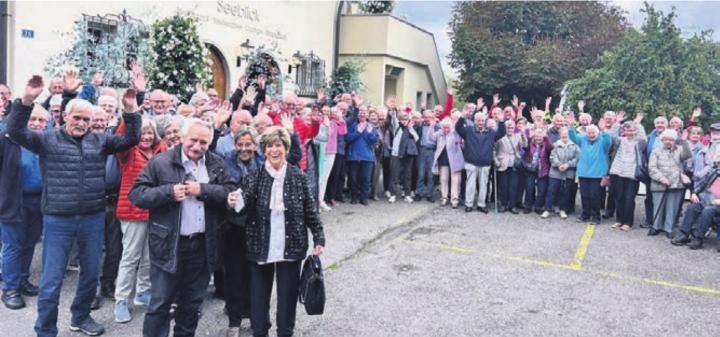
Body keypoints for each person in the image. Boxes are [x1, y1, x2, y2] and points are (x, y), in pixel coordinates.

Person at [7, 77, 141, 337]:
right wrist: (26, 100)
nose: (81, 123)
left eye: (86, 119)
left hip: (92, 217)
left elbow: (132, 138)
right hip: (58, 220)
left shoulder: (101, 141)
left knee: (91, 274)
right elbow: (16, 130)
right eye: (76, 117)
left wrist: (131, 109)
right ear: (65, 117)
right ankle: (45, 330)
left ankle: (80, 317)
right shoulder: (46, 140)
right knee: (51, 281)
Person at [129, 118, 234, 337]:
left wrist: (202, 189)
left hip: (203, 246)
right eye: (193, 140)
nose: (197, 147)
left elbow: (230, 191)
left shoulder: (215, 163)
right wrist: (167, 193)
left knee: (191, 304)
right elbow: (137, 194)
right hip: (169, 244)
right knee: (160, 304)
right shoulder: (160, 162)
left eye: (203, 142)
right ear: (183, 138)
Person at [227, 126, 325, 337]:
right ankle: (260, 332)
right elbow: (243, 206)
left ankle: (285, 332)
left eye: (278, 145)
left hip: (291, 245)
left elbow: (310, 209)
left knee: (287, 298)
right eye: (269, 146)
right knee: (258, 298)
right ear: (263, 150)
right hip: (260, 244)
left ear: (286, 148)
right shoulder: (256, 175)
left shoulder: (298, 176)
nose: (274, 150)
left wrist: (319, 236)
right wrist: (234, 200)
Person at [113, 116, 167, 323]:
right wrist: (130, 114)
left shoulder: (160, 151)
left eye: (149, 133)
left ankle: (143, 292)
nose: (145, 136)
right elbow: (120, 137)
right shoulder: (127, 152)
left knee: (148, 256)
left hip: (154, 211)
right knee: (130, 257)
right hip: (132, 211)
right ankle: (121, 300)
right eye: (142, 132)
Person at [0, 104, 48, 309]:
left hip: (39, 202)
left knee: (29, 243)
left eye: (41, 120)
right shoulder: (8, 140)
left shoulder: (45, 142)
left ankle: (22, 279)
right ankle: (10, 288)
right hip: (14, 201)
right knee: (13, 245)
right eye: (33, 119)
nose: (36, 123)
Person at [223, 128, 263, 337]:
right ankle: (234, 320)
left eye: (248, 145)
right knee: (234, 275)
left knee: (256, 274)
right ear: (235, 145)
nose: (245, 149)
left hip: (257, 227)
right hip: (234, 227)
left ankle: (254, 315)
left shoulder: (263, 162)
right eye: (241, 145)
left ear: (255, 146)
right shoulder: (226, 163)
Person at [455, 111, 505, 212]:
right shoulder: (468, 130)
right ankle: (469, 204)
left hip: (485, 163)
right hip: (471, 162)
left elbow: (501, 133)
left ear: (485, 121)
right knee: (470, 185)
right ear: (474, 121)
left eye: (482, 120)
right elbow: (458, 128)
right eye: (478, 120)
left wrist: (501, 121)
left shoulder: (491, 132)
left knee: (483, 185)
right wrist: (462, 117)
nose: (481, 122)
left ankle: (481, 205)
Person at [647, 129, 691, 238]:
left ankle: (668, 228)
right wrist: (662, 178)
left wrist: (685, 142)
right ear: (662, 140)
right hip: (659, 184)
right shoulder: (656, 151)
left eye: (671, 140)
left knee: (672, 208)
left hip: (676, 184)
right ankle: (656, 226)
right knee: (658, 207)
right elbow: (652, 168)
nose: (668, 141)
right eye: (666, 139)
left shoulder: (680, 150)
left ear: (674, 140)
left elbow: (688, 155)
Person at [568, 121, 613, 225]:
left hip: (597, 174)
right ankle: (585, 214)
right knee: (584, 195)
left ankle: (596, 217)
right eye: (589, 133)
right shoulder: (583, 139)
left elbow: (608, 141)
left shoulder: (602, 141)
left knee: (595, 196)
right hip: (583, 172)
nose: (591, 135)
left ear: (597, 133)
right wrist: (570, 126)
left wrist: (603, 129)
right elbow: (573, 137)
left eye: (593, 133)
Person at [672, 156, 720, 250]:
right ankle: (684, 234)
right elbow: (702, 184)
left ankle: (698, 238)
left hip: (716, 205)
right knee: (692, 207)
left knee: (707, 211)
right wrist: (694, 193)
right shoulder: (715, 173)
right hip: (707, 200)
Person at [608, 121, 646, 231]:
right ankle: (619, 220)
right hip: (618, 172)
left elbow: (643, 138)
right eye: (627, 130)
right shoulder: (620, 141)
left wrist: (638, 124)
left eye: (632, 130)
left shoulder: (639, 143)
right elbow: (612, 135)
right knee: (618, 197)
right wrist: (617, 123)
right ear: (623, 131)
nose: (630, 132)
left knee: (629, 199)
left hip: (632, 174)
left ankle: (628, 222)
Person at [346, 106, 380, 205]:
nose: (362, 114)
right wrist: (358, 132)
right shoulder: (353, 126)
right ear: (358, 114)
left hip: (367, 157)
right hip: (354, 156)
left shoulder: (371, 127)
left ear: (367, 115)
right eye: (360, 112)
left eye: (364, 112)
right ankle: (354, 197)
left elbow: (376, 141)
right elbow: (348, 138)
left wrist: (369, 134)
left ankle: (363, 198)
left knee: (366, 179)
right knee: (353, 178)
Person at [430, 116, 465, 208]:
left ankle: (454, 200)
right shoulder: (440, 133)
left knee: (455, 181)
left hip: (455, 160)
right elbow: (431, 138)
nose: (445, 129)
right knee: (443, 179)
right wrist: (431, 126)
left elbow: (460, 136)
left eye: (447, 127)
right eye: (444, 127)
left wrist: (456, 122)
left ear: (451, 126)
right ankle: (444, 198)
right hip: (443, 159)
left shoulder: (455, 133)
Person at [544, 128, 579, 219]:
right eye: (562, 135)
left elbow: (577, 158)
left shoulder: (574, 146)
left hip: (568, 173)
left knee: (565, 192)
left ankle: (562, 210)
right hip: (555, 173)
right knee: (551, 191)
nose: (564, 137)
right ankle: (547, 209)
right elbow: (552, 157)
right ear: (559, 135)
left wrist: (568, 164)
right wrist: (559, 165)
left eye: (566, 135)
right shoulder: (555, 145)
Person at [387, 111, 420, 203]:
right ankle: (393, 194)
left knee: (408, 175)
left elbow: (417, 138)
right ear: (399, 120)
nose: (404, 121)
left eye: (406, 119)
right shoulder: (397, 127)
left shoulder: (411, 128)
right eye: (402, 119)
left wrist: (410, 129)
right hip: (396, 154)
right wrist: (392, 109)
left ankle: (407, 194)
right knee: (394, 175)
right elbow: (393, 118)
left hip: (408, 155)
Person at [494, 118, 524, 213]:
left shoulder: (517, 136)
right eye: (508, 127)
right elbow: (494, 150)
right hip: (502, 163)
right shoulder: (499, 137)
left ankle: (512, 205)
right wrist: (496, 161)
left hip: (514, 164)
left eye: (511, 127)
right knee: (504, 186)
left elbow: (525, 145)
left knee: (513, 186)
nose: (510, 129)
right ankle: (503, 205)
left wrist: (523, 135)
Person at [522, 127, 553, 215]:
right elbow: (523, 151)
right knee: (529, 188)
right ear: (534, 137)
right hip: (530, 169)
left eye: (540, 137)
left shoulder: (546, 144)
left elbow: (551, 147)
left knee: (542, 190)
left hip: (543, 169)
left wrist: (545, 136)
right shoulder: (529, 143)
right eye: (537, 137)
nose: (538, 139)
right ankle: (528, 206)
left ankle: (538, 206)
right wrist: (526, 164)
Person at [414, 109, 438, 202]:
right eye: (426, 117)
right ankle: (419, 193)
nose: (427, 119)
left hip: (432, 151)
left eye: (429, 117)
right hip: (422, 150)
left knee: (431, 174)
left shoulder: (437, 126)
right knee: (420, 173)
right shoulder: (420, 125)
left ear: (433, 117)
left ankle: (429, 194)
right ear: (423, 117)